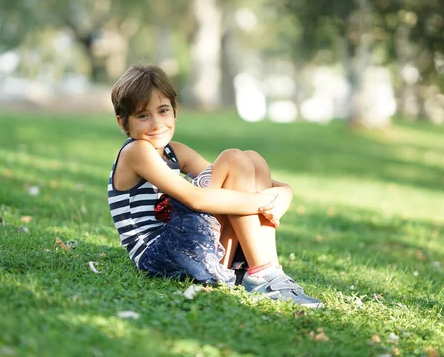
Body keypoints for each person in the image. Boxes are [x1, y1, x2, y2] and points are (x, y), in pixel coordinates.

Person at [107, 64, 323, 309]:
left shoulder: (174, 151)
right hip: (160, 255)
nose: (156, 123)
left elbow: (240, 176)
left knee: (251, 159)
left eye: (163, 111)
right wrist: (265, 201)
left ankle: (269, 272)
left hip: (190, 245)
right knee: (232, 158)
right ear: (123, 122)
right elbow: (195, 199)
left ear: (175, 111)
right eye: (143, 115)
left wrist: (285, 192)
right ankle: (262, 272)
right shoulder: (136, 151)